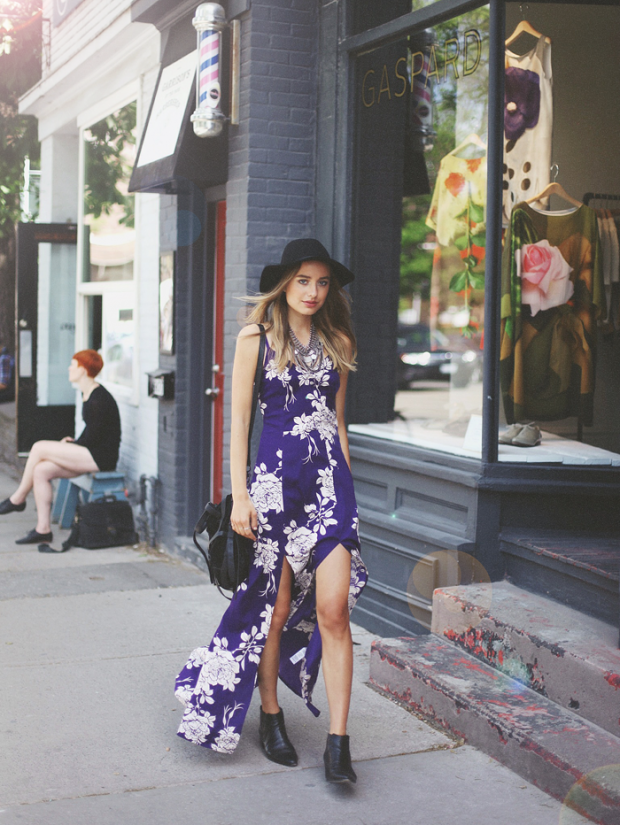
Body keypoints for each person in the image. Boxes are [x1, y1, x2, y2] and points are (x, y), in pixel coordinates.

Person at [175, 239, 368, 784]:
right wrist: (238, 496)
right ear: (285, 282)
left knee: (334, 609)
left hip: (330, 489)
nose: (313, 291)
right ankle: (272, 715)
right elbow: (237, 424)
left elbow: (338, 422)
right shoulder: (254, 339)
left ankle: (338, 741)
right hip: (273, 489)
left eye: (323, 282)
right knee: (273, 610)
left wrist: (349, 497)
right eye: (304, 280)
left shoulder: (338, 340)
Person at [0, 350, 121, 546]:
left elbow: (96, 437)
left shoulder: (100, 398)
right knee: (41, 470)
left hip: (101, 457)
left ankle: (18, 498)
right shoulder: (88, 393)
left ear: (83, 369)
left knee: (39, 448)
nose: (69, 368)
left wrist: (74, 445)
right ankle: (43, 529)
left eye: (73, 365)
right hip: (90, 453)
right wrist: (73, 443)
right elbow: (92, 431)